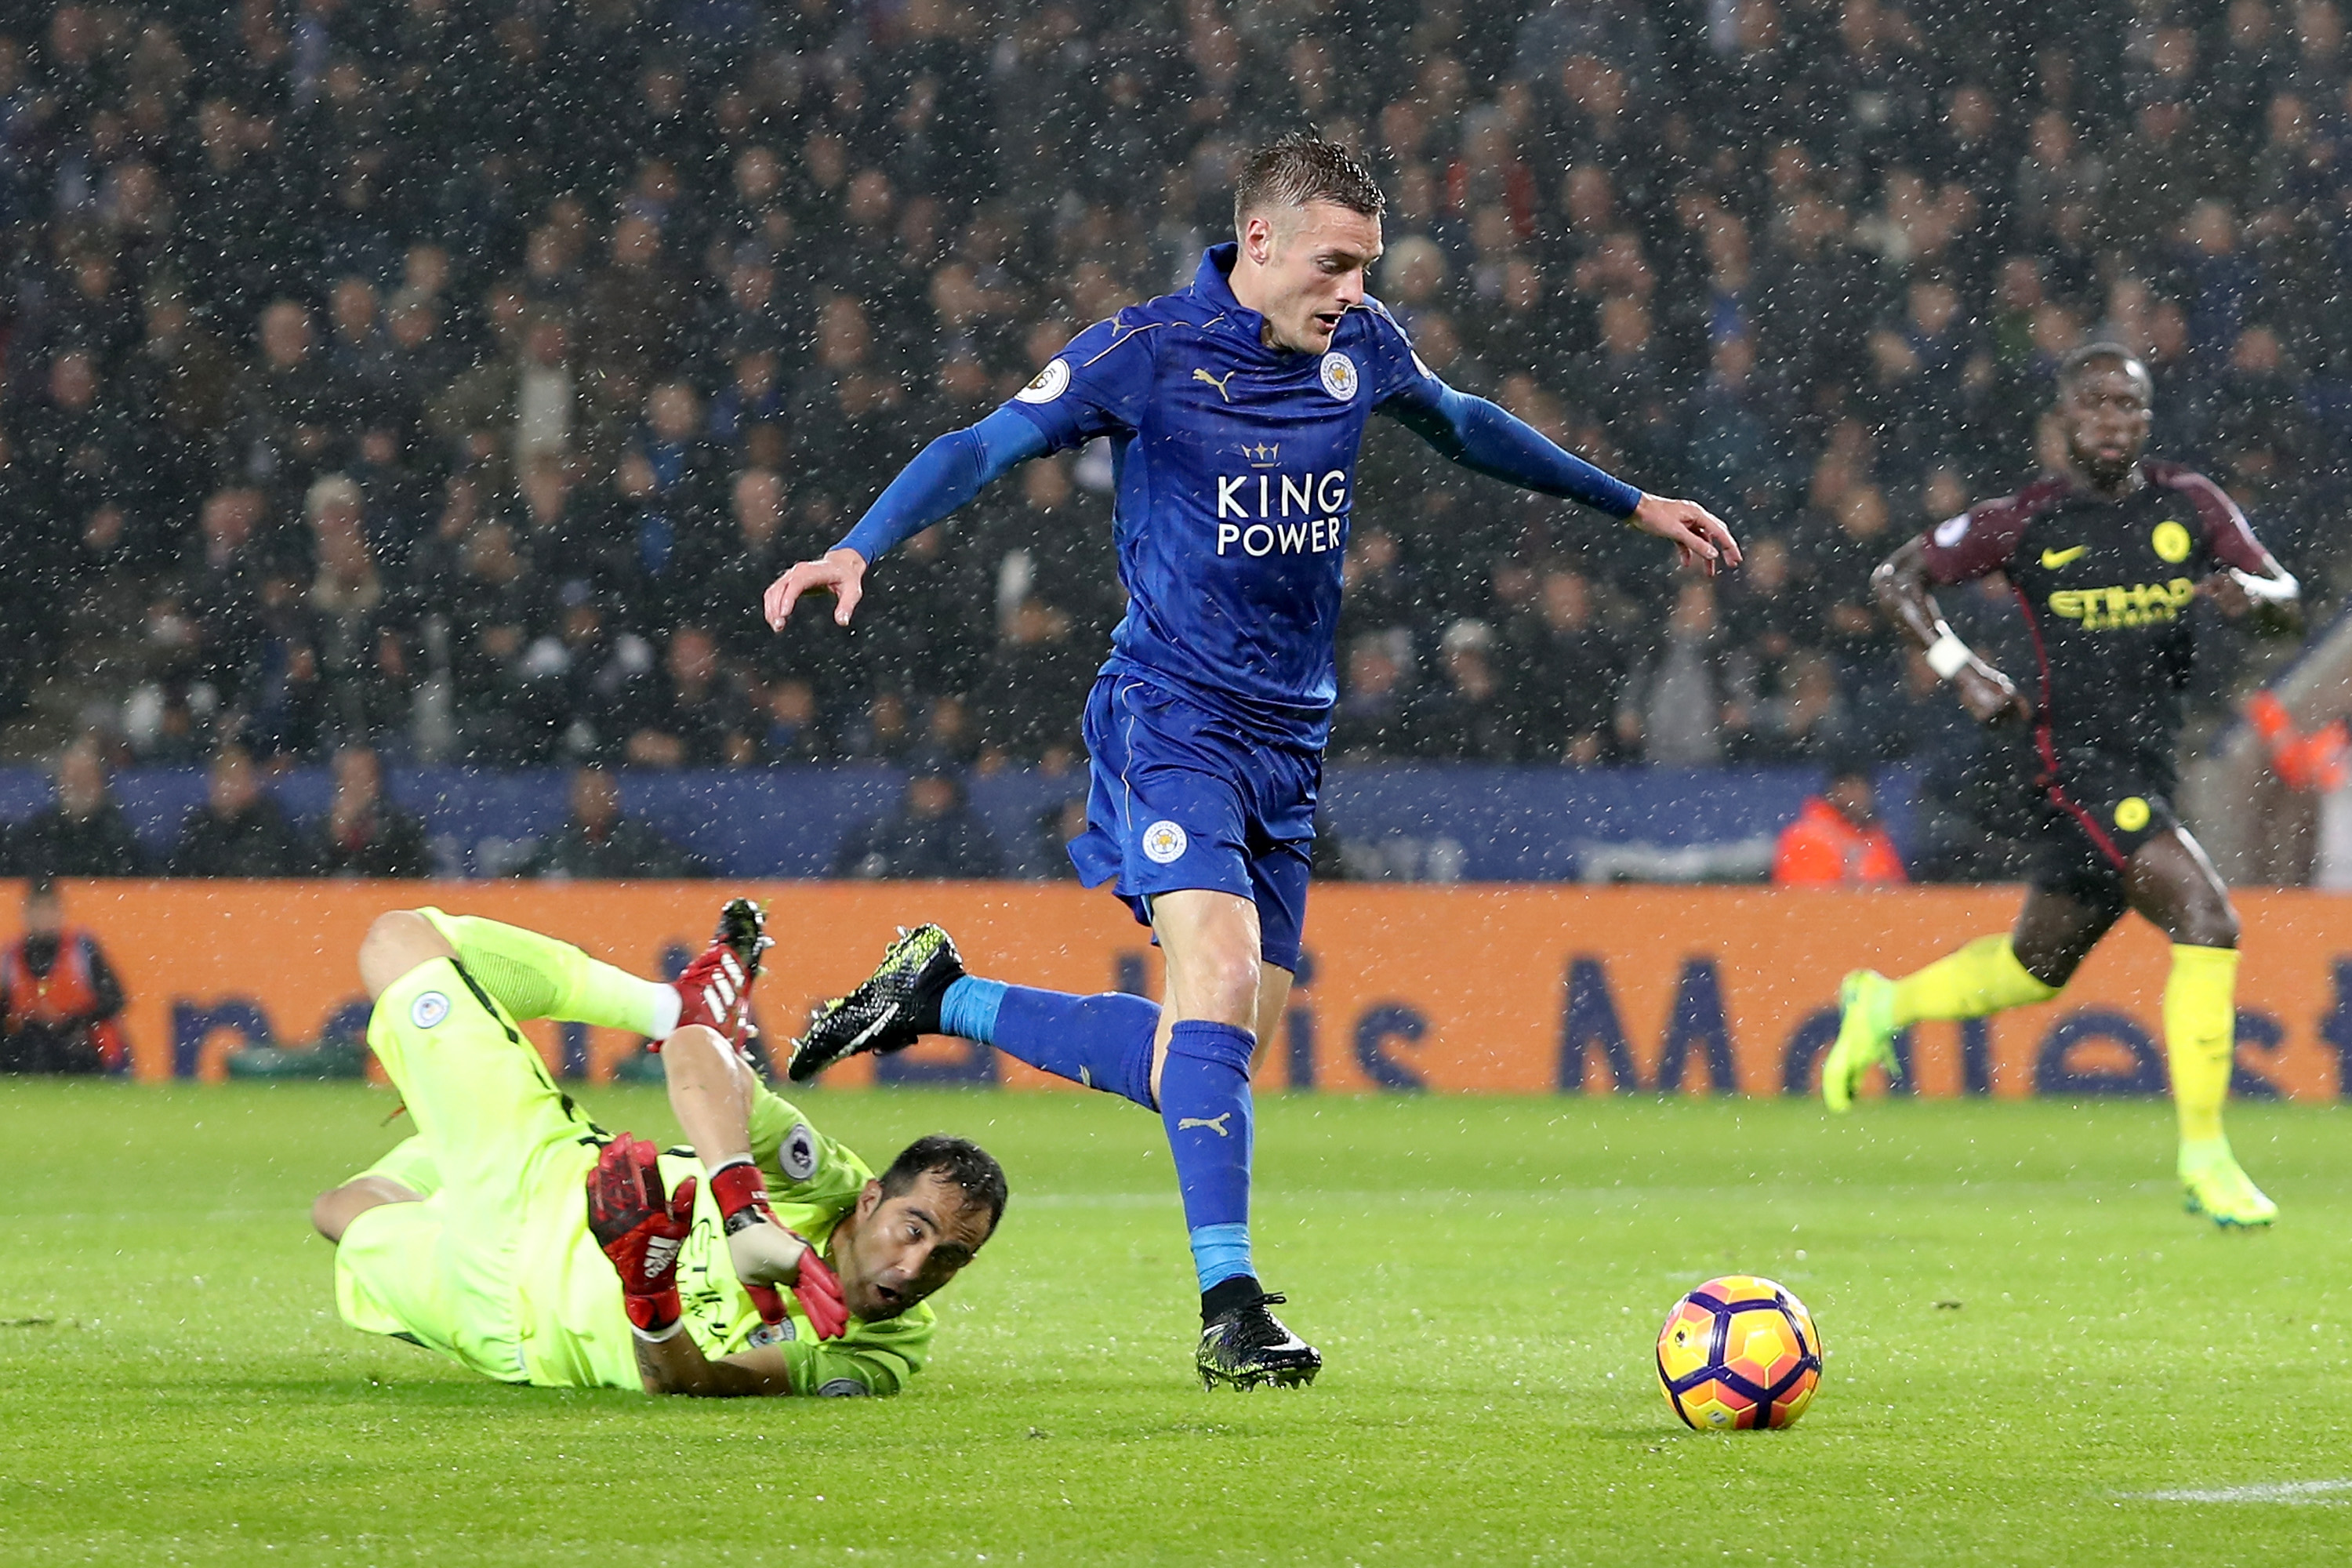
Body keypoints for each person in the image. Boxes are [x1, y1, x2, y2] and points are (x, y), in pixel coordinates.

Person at [763, 134, 1737, 1388]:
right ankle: (1232, 1308)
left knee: (1205, 1056)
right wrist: (859, 545)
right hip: (1172, 716)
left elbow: (1463, 424)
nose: (1354, 290)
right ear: (1260, 243)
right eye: (1334, 264)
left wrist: (1631, 503)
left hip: (1292, 742)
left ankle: (941, 998)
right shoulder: (1150, 350)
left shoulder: (1361, 347)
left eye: (1368, 267)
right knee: (1212, 981)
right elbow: (983, 444)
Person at [1821, 342, 2302, 1228]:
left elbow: (2284, 593)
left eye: (2129, 406)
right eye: (2097, 405)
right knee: (2207, 917)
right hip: (2067, 763)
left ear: (2148, 417)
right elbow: (1897, 578)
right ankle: (2207, 1158)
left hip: (2147, 767)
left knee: (2034, 966)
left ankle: (1883, 1000)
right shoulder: (2024, 522)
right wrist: (1959, 666)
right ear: (2064, 419)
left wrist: (2255, 597)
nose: (2113, 421)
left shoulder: (2189, 505)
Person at [310, 899, 1005, 1396]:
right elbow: (700, 1052)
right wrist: (742, 1210)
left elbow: (692, 1383)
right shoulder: (821, 1181)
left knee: (338, 1211)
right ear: (871, 1198)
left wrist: (651, 1295)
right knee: (399, 941)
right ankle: (661, 1004)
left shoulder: (884, 1349)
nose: (917, 1266)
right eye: (914, 1230)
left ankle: (441, 1127)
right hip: (544, 1171)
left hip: (507, 1319)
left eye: (949, 1256)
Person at [0, 879, 129, 1074]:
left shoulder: (83, 950)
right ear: (25, 914)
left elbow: (115, 999)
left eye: (48, 910)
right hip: (31, 1053)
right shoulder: (10, 958)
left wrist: (75, 1021)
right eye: (37, 910)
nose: (43, 918)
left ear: (60, 913)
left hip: (84, 1050)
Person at [517, 765, 705, 879]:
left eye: (599, 790)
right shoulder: (558, 843)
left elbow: (680, 870)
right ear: (573, 799)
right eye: (585, 792)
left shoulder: (637, 838)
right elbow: (526, 879)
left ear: (614, 797)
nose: (592, 799)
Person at [6, 737, 148, 877]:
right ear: (59, 782)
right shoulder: (38, 830)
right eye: (72, 778)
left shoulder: (119, 836)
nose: (78, 786)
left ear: (101, 784)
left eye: (86, 778)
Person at [167, 744, 310, 877]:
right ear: (213, 784)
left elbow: (270, 870)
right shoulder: (198, 825)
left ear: (252, 782)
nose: (230, 787)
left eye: (237, 778)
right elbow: (181, 877)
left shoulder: (271, 821)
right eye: (225, 778)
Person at [1772, 764, 1907, 885]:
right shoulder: (1806, 837)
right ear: (1834, 789)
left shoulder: (1876, 838)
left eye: (1864, 787)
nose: (1859, 795)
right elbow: (1805, 898)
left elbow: (1897, 892)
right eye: (1851, 786)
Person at [310, 745, 431, 877]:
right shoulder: (319, 830)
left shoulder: (402, 827)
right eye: (352, 777)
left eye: (367, 777)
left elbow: (411, 877)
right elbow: (303, 879)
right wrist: (337, 837)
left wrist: (373, 836)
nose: (359, 786)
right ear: (339, 782)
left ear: (378, 782)